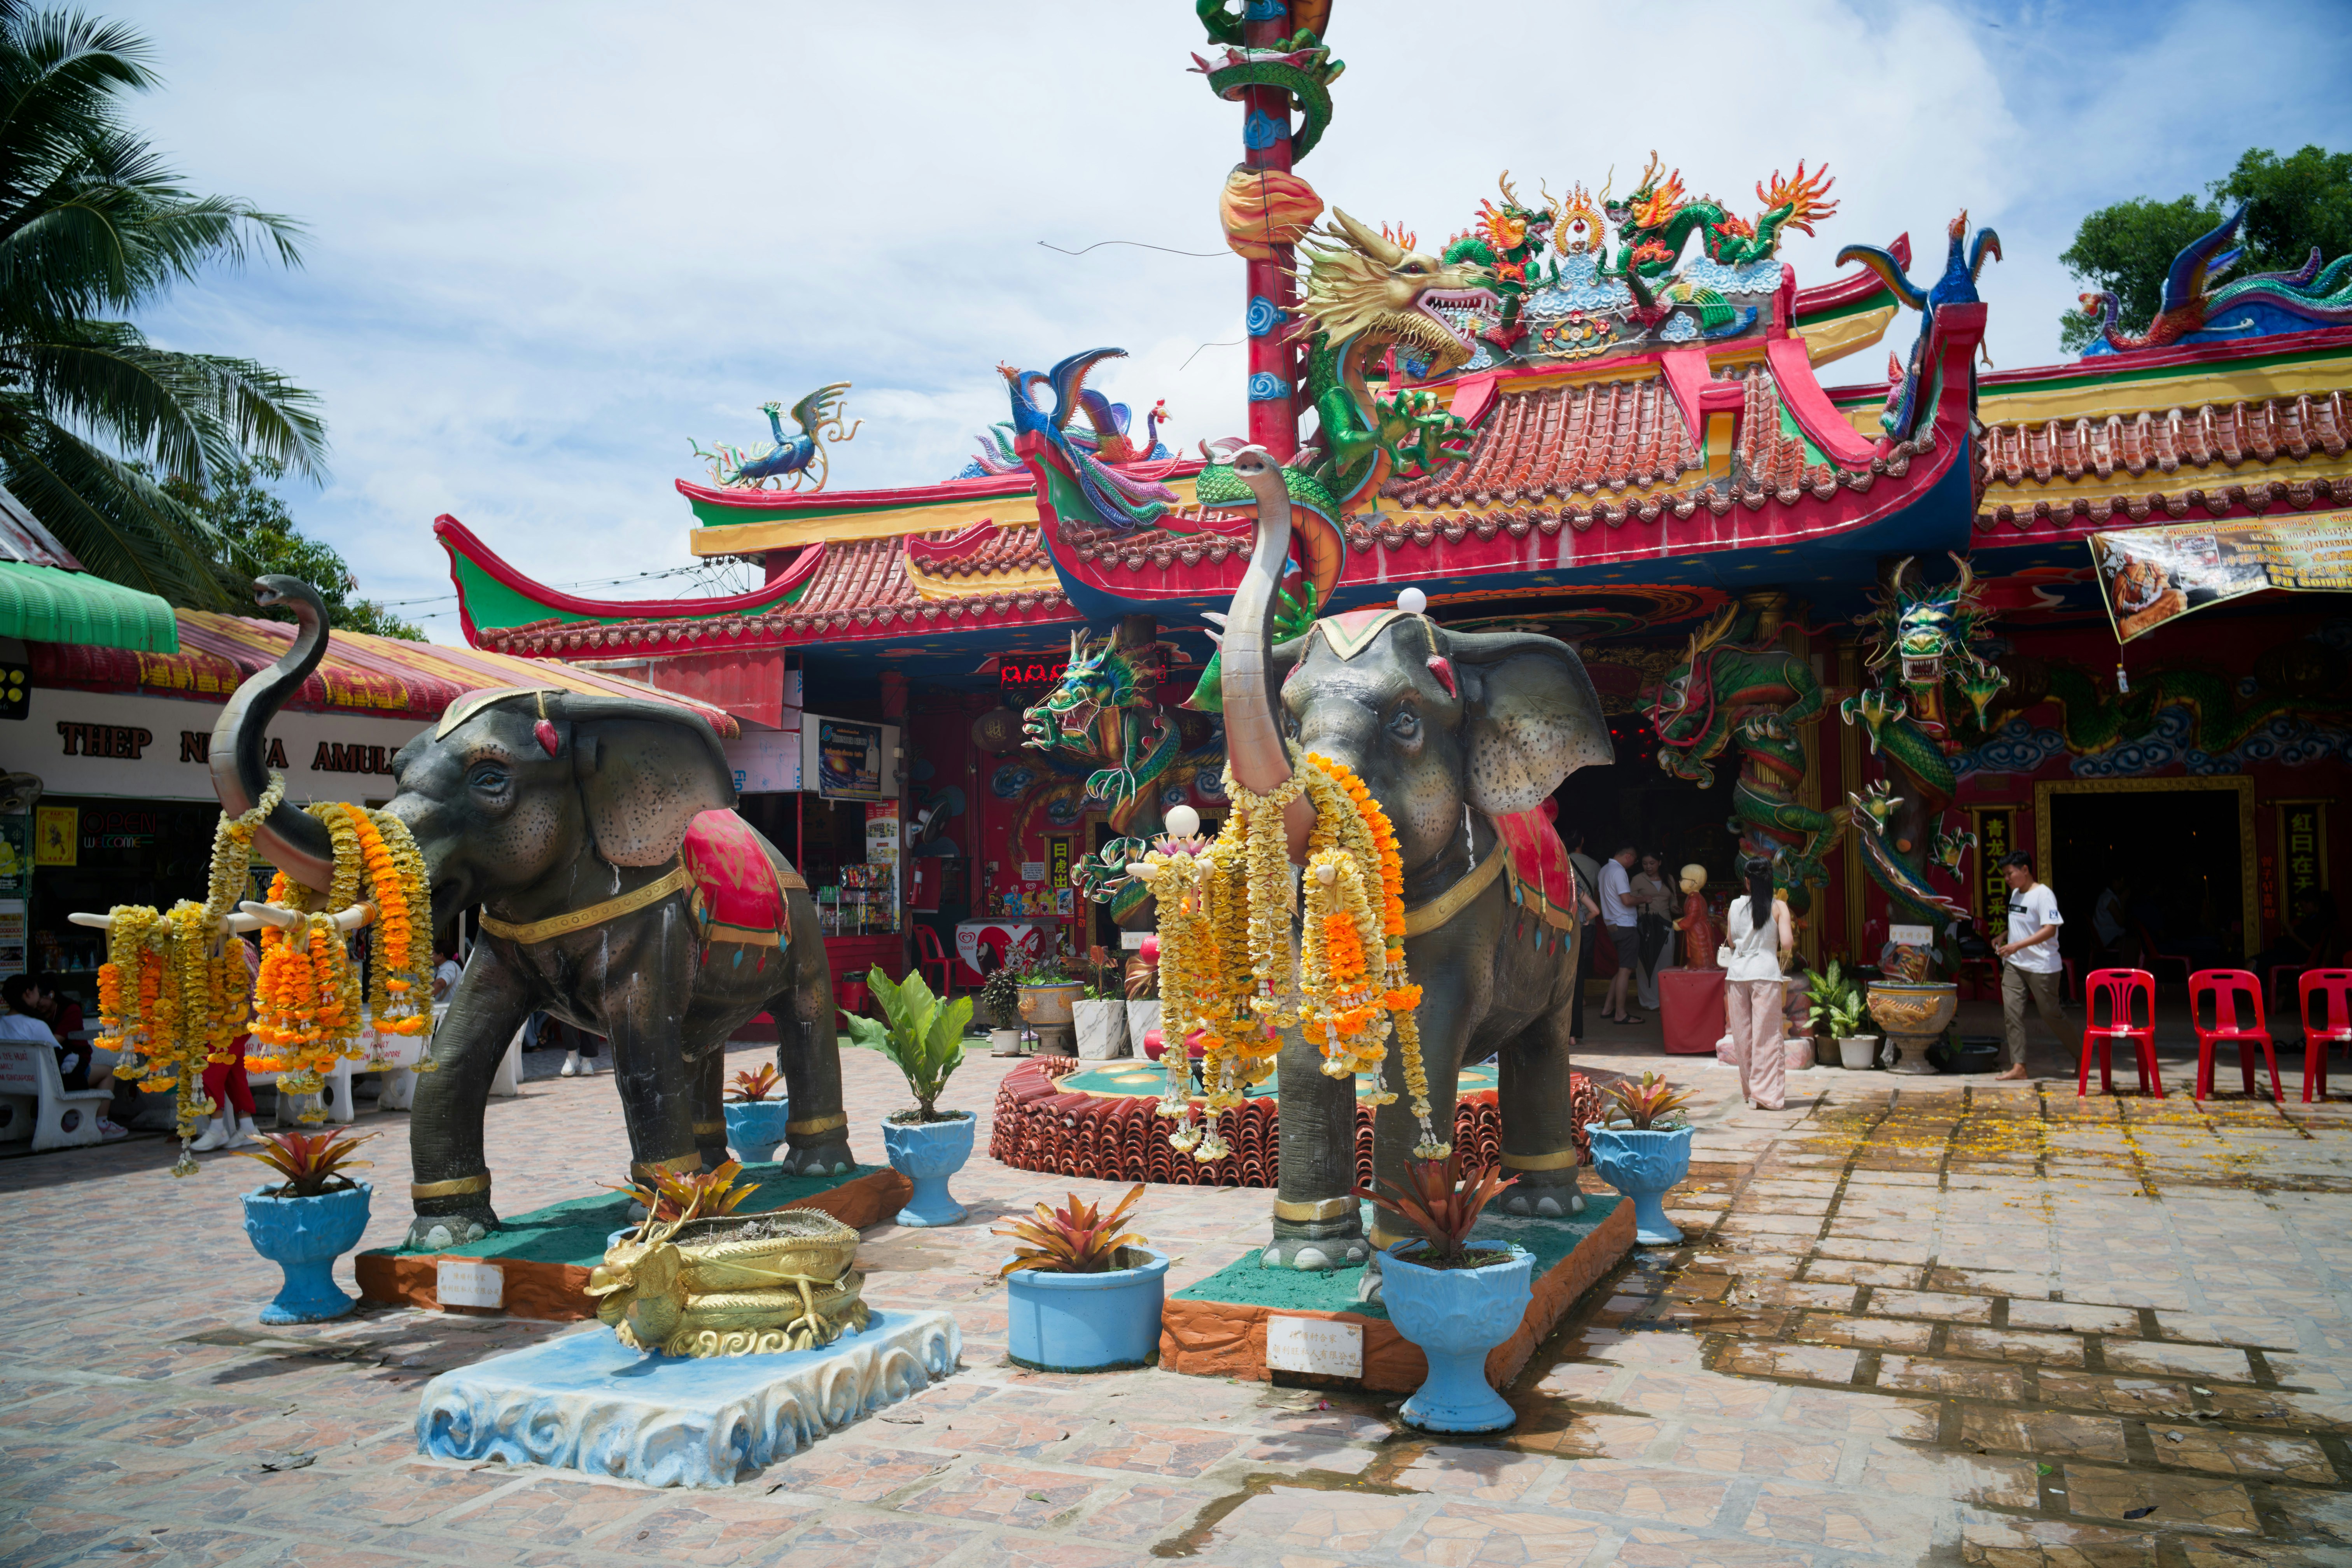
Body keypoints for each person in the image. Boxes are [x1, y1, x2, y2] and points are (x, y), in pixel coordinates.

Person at [3, 973, 129, 1139]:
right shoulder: (35, 1026)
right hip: (45, 1083)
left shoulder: (2, 1025)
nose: (39, 998)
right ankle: (101, 1124)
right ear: (28, 993)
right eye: (36, 992)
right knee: (107, 1072)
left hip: (11, 1083)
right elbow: (55, 1056)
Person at [1722, 856, 1795, 1110]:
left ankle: (1750, 1091)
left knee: (1742, 1036)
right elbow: (1787, 944)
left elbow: (1731, 942)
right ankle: (1765, 1095)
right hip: (1765, 973)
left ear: (1747, 881)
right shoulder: (1779, 907)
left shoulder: (1734, 906)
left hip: (1737, 974)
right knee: (1768, 1036)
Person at [1993, 850, 2066, 1081]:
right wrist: (2004, 936)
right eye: (2004, 875)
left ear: (2025, 870)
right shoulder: (2016, 894)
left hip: (2042, 965)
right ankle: (2019, 1067)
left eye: (2010, 874)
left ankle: (2080, 1054)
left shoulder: (2044, 895)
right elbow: (2022, 922)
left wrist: (2015, 946)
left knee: (2051, 1014)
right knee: (2012, 1014)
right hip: (2016, 965)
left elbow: (2049, 929)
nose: (2007, 879)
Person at [191, 938, 261, 1151]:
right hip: (217, 1024)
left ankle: (217, 1128)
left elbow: (256, 984)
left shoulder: (238, 946)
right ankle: (248, 1128)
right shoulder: (203, 947)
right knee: (234, 1074)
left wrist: (257, 1019)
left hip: (238, 1022)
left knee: (209, 1069)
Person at [1562, 828, 1602, 1042]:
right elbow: (1595, 910)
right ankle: (1573, 1035)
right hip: (1575, 941)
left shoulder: (1551, 886)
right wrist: (1584, 919)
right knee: (1576, 985)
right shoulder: (1576, 887)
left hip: (1556, 941)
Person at [1599, 843, 1643, 1025]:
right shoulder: (1619, 872)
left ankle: (1608, 1009)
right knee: (1626, 970)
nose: (1634, 864)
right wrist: (1643, 899)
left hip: (1612, 926)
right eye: (1635, 860)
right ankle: (1621, 1014)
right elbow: (1626, 900)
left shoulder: (1604, 870)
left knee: (1622, 969)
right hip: (1625, 925)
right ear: (1629, 856)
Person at [1629, 851, 1675, 1005]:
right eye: (1644, 863)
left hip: (1666, 925)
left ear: (1660, 863)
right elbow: (1628, 902)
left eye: (1652, 863)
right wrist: (1642, 900)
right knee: (1646, 964)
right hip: (1646, 927)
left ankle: (1665, 1000)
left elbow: (1673, 903)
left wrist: (1677, 909)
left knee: (1666, 962)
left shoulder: (1669, 879)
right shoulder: (1637, 880)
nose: (1648, 867)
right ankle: (1648, 1002)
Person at [1675, 864, 1719, 971]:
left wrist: (1679, 925)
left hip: (1699, 932)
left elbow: (1692, 917)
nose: (1680, 882)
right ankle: (1694, 965)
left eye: (1682, 879)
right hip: (1695, 930)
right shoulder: (1693, 897)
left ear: (1691, 883)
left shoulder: (1695, 899)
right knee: (1694, 950)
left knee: (1699, 950)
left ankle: (1701, 966)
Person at [2093, 874, 2135, 966]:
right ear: (2114, 883)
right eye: (2120, 882)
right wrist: (2123, 901)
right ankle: (2126, 975)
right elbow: (2121, 922)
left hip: (2108, 937)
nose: (2122, 884)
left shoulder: (2109, 896)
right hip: (2108, 939)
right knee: (2133, 944)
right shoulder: (2109, 898)